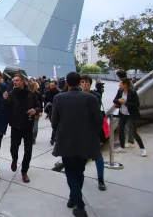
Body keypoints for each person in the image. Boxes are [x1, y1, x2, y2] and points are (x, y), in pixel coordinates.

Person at [51, 72, 102, 217]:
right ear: (80, 82)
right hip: (85, 142)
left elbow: (54, 121)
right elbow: (98, 120)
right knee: (79, 171)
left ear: (66, 82)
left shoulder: (59, 98)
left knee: (70, 173)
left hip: (66, 141)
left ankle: (79, 203)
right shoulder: (90, 98)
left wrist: (60, 131)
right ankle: (74, 197)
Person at [3, 74, 41, 183]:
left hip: (28, 126)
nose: (15, 82)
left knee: (28, 151)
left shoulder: (31, 94)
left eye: (17, 80)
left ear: (23, 81)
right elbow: (6, 109)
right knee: (13, 148)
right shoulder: (10, 94)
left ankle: (24, 172)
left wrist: (35, 110)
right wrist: (5, 100)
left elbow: (39, 106)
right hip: (15, 126)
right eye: (14, 81)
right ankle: (14, 159)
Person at [80, 75, 107, 191]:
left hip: (93, 130)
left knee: (97, 155)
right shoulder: (77, 96)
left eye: (86, 82)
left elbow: (95, 111)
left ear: (90, 84)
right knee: (80, 155)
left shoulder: (96, 95)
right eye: (82, 82)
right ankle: (80, 175)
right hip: (81, 130)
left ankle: (100, 178)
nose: (84, 84)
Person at [113, 78, 147, 157]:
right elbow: (114, 100)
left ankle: (142, 148)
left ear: (125, 84)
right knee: (121, 130)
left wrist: (125, 103)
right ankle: (122, 147)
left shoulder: (133, 93)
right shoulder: (120, 91)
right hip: (122, 114)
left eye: (120, 83)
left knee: (133, 132)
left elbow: (137, 105)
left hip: (131, 115)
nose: (119, 85)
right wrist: (119, 101)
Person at [115, 70, 135, 148]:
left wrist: (123, 102)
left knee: (129, 126)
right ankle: (125, 141)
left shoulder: (127, 85)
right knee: (124, 126)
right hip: (123, 110)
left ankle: (130, 141)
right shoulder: (129, 83)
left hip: (128, 110)